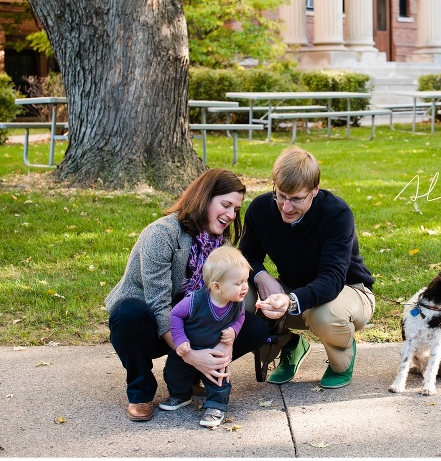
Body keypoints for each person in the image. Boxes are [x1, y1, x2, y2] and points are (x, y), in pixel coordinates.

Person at [105, 169, 270, 422]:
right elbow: (159, 306)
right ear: (204, 198)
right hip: (150, 324)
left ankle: (191, 377)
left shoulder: (219, 241)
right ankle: (140, 392)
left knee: (256, 328)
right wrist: (191, 355)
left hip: (191, 324)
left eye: (236, 209)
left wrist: (226, 342)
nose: (230, 215)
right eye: (225, 205)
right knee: (128, 313)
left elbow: (225, 294)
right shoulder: (161, 234)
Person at [239, 146, 375, 389]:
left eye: (297, 199)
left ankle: (341, 357)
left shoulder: (336, 214)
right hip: (296, 289)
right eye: (280, 195)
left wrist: (290, 301)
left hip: (348, 292)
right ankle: (289, 345)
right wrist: (261, 276)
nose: (286, 207)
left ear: (315, 190)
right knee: (237, 296)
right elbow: (245, 256)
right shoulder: (260, 209)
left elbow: (332, 279)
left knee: (323, 314)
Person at [161, 245, 250, 428]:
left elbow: (240, 318)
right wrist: (180, 341)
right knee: (175, 373)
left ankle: (217, 405)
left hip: (214, 349)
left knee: (220, 378)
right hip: (189, 347)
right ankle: (180, 395)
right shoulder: (195, 300)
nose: (245, 287)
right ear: (217, 287)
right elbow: (175, 315)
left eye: (246, 281)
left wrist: (233, 331)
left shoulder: (237, 303)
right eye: (238, 283)